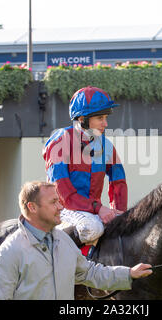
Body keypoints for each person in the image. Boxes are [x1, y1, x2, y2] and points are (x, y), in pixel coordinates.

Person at [0, 181, 152, 300]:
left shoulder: (63, 241)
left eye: (59, 201)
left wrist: (129, 273)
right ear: (32, 207)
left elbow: (90, 272)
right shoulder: (9, 252)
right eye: (53, 202)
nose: (61, 207)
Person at [43, 86, 127, 250]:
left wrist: (118, 212)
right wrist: (98, 208)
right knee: (92, 227)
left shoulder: (106, 146)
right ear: (82, 119)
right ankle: (50, 252)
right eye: (100, 118)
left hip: (91, 211)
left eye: (106, 117)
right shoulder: (60, 141)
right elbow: (62, 192)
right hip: (63, 209)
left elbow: (119, 182)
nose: (105, 123)